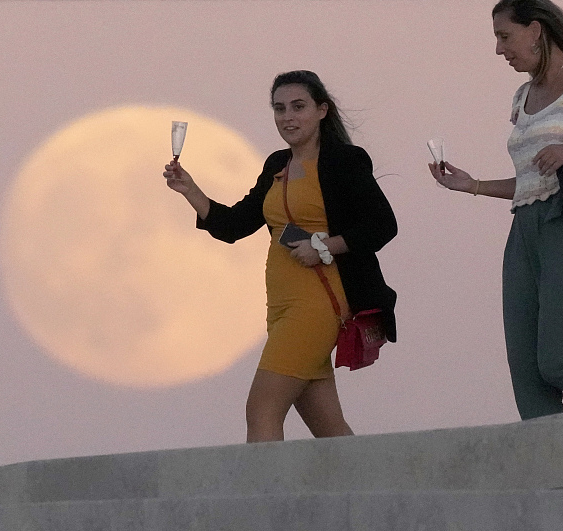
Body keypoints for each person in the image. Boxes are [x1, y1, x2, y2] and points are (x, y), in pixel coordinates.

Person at [429, 0, 563, 420]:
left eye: (504, 36)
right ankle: (556, 487)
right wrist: (471, 185)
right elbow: (531, 182)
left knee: (561, 361)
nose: (499, 49)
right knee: (527, 377)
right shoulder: (523, 96)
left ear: (536, 29)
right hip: (524, 231)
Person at [164, 71, 398, 442]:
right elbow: (234, 224)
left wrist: (324, 246)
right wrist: (189, 189)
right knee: (330, 429)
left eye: (298, 107)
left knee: (262, 411)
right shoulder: (277, 163)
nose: (287, 117)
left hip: (319, 302)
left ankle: (265, 501)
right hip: (281, 306)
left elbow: (382, 225)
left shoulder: (345, 160)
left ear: (322, 110)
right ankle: (376, 498)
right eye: (279, 109)